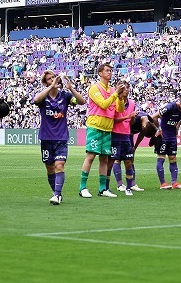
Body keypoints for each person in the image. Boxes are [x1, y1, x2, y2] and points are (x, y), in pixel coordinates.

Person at [33, 70, 86, 205]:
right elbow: (36, 100)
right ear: (46, 83)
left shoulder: (65, 96)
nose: (54, 80)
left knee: (59, 165)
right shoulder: (43, 97)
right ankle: (57, 193)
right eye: (50, 79)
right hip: (46, 138)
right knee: (49, 168)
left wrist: (71, 88)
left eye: (54, 78)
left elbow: (82, 102)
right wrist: (51, 86)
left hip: (61, 137)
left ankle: (56, 195)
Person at [79, 63, 125, 198]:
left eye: (111, 70)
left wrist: (121, 98)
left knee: (104, 159)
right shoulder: (94, 88)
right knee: (91, 156)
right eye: (107, 70)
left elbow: (120, 110)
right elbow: (104, 105)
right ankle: (82, 188)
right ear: (100, 73)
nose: (110, 73)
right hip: (95, 126)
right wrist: (116, 94)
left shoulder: (112, 90)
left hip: (107, 127)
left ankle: (102, 188)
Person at [152, 94, 181, 189]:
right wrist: (159, 129)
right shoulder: (169, 107)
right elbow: (154, 117)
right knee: (161, 158)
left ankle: (174, 183)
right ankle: (163, 183)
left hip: (172, 137)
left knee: (173, 158)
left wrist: (177, 127)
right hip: (163, 136)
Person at [107, 81, 141, 196]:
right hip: (115, 134)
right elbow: (113, 120)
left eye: (128, 88)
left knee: (128, 162)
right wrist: (128, 116)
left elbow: (130, 122)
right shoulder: (114, 102)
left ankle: (129, 187)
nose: (127, 89)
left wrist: (132, 118)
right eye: (124, 88)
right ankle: (114, 186)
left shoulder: (132, 103)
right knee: (112, 161)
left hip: (126, 135)